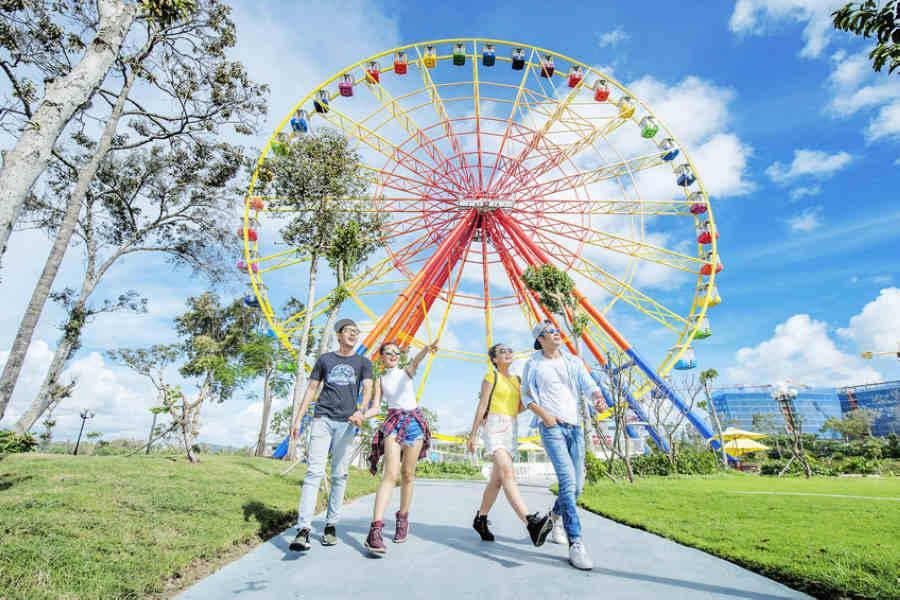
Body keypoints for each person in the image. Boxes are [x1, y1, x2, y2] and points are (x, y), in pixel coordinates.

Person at [521, 320, 607, 571]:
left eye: (557, 331)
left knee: (577, 487)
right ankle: (576, 542)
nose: (556, 334)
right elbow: (525, 395)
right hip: (551, 428)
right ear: (540, 340)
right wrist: (545, 415)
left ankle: (552, 519)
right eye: (549, 332)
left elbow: (589, 386)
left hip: (575, 427)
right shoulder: (533, 364)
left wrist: (598, 398)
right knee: (568, 482)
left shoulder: (573, 361)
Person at [289, 318, 373, 552]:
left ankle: (330, 525)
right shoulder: (325, 360)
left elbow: (368, 389)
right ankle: (303, 529)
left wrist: (361, 411)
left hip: (347, 423)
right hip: (322, 419)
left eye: (357, 332)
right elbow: (312, 389)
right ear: (339, 335)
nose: (353, 335)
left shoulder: (364, 363)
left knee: (339, 475)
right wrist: (298, 419)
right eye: (349, 331)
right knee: (314, 472)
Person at [466, 343, 552, 546]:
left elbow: (518, 407)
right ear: (494, 359)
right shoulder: (491, 377)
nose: (507, 353)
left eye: (509, 351)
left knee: (496, 481)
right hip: (494, 427)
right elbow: (482, 406)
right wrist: (472, 435)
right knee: (508, 474)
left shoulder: (517, 380)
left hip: (511, 427)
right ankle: (530, 521)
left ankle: (481, 519)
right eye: (502, 351)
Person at [362, 340, 438, 555]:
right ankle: (375, 530)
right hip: (393, 423)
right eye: (389, 352)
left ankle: (402, 518)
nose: (394, 355)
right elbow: (376, 407)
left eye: (396, 352)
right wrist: (361, 414)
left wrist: (426, 349)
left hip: (414, 424)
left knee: (408, 474)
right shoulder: (380, 380)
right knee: (390, 474)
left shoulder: (406, 372)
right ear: (382, 357)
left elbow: (415, 361)